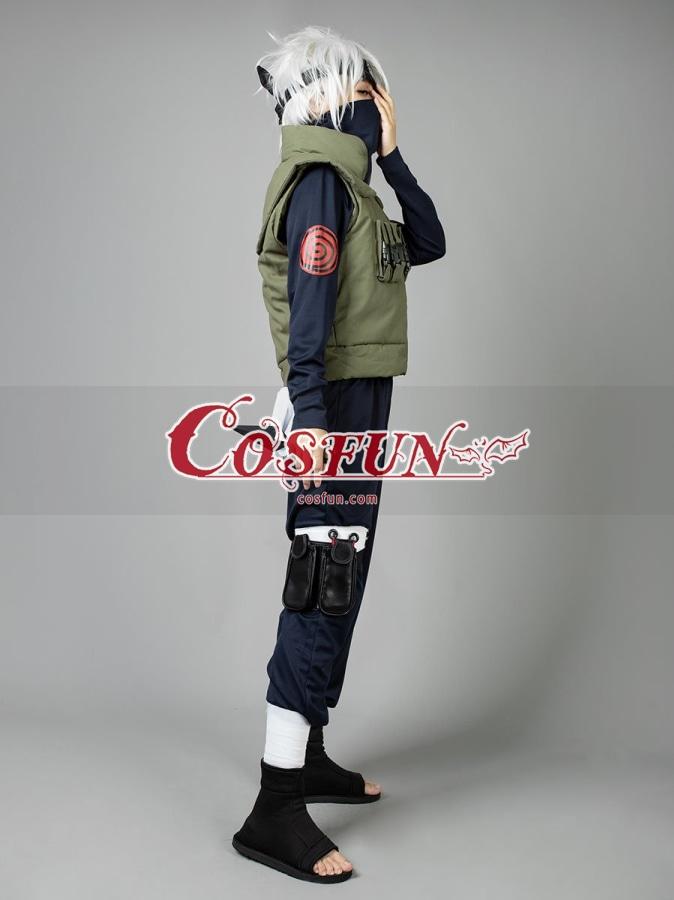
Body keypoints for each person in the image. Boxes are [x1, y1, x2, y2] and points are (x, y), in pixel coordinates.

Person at [232, 25, 446, 883]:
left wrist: (393, 157)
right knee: (320, 581)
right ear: (325, 100)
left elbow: (426, 241)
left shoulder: (352, 184)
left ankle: (309, 753)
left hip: (357, 397)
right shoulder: (319, 182)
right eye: (364, 95)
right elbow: (310, 309)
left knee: (341, 577)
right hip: (331, 403)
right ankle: (274, 804)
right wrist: (315, 415)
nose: (375, 108)